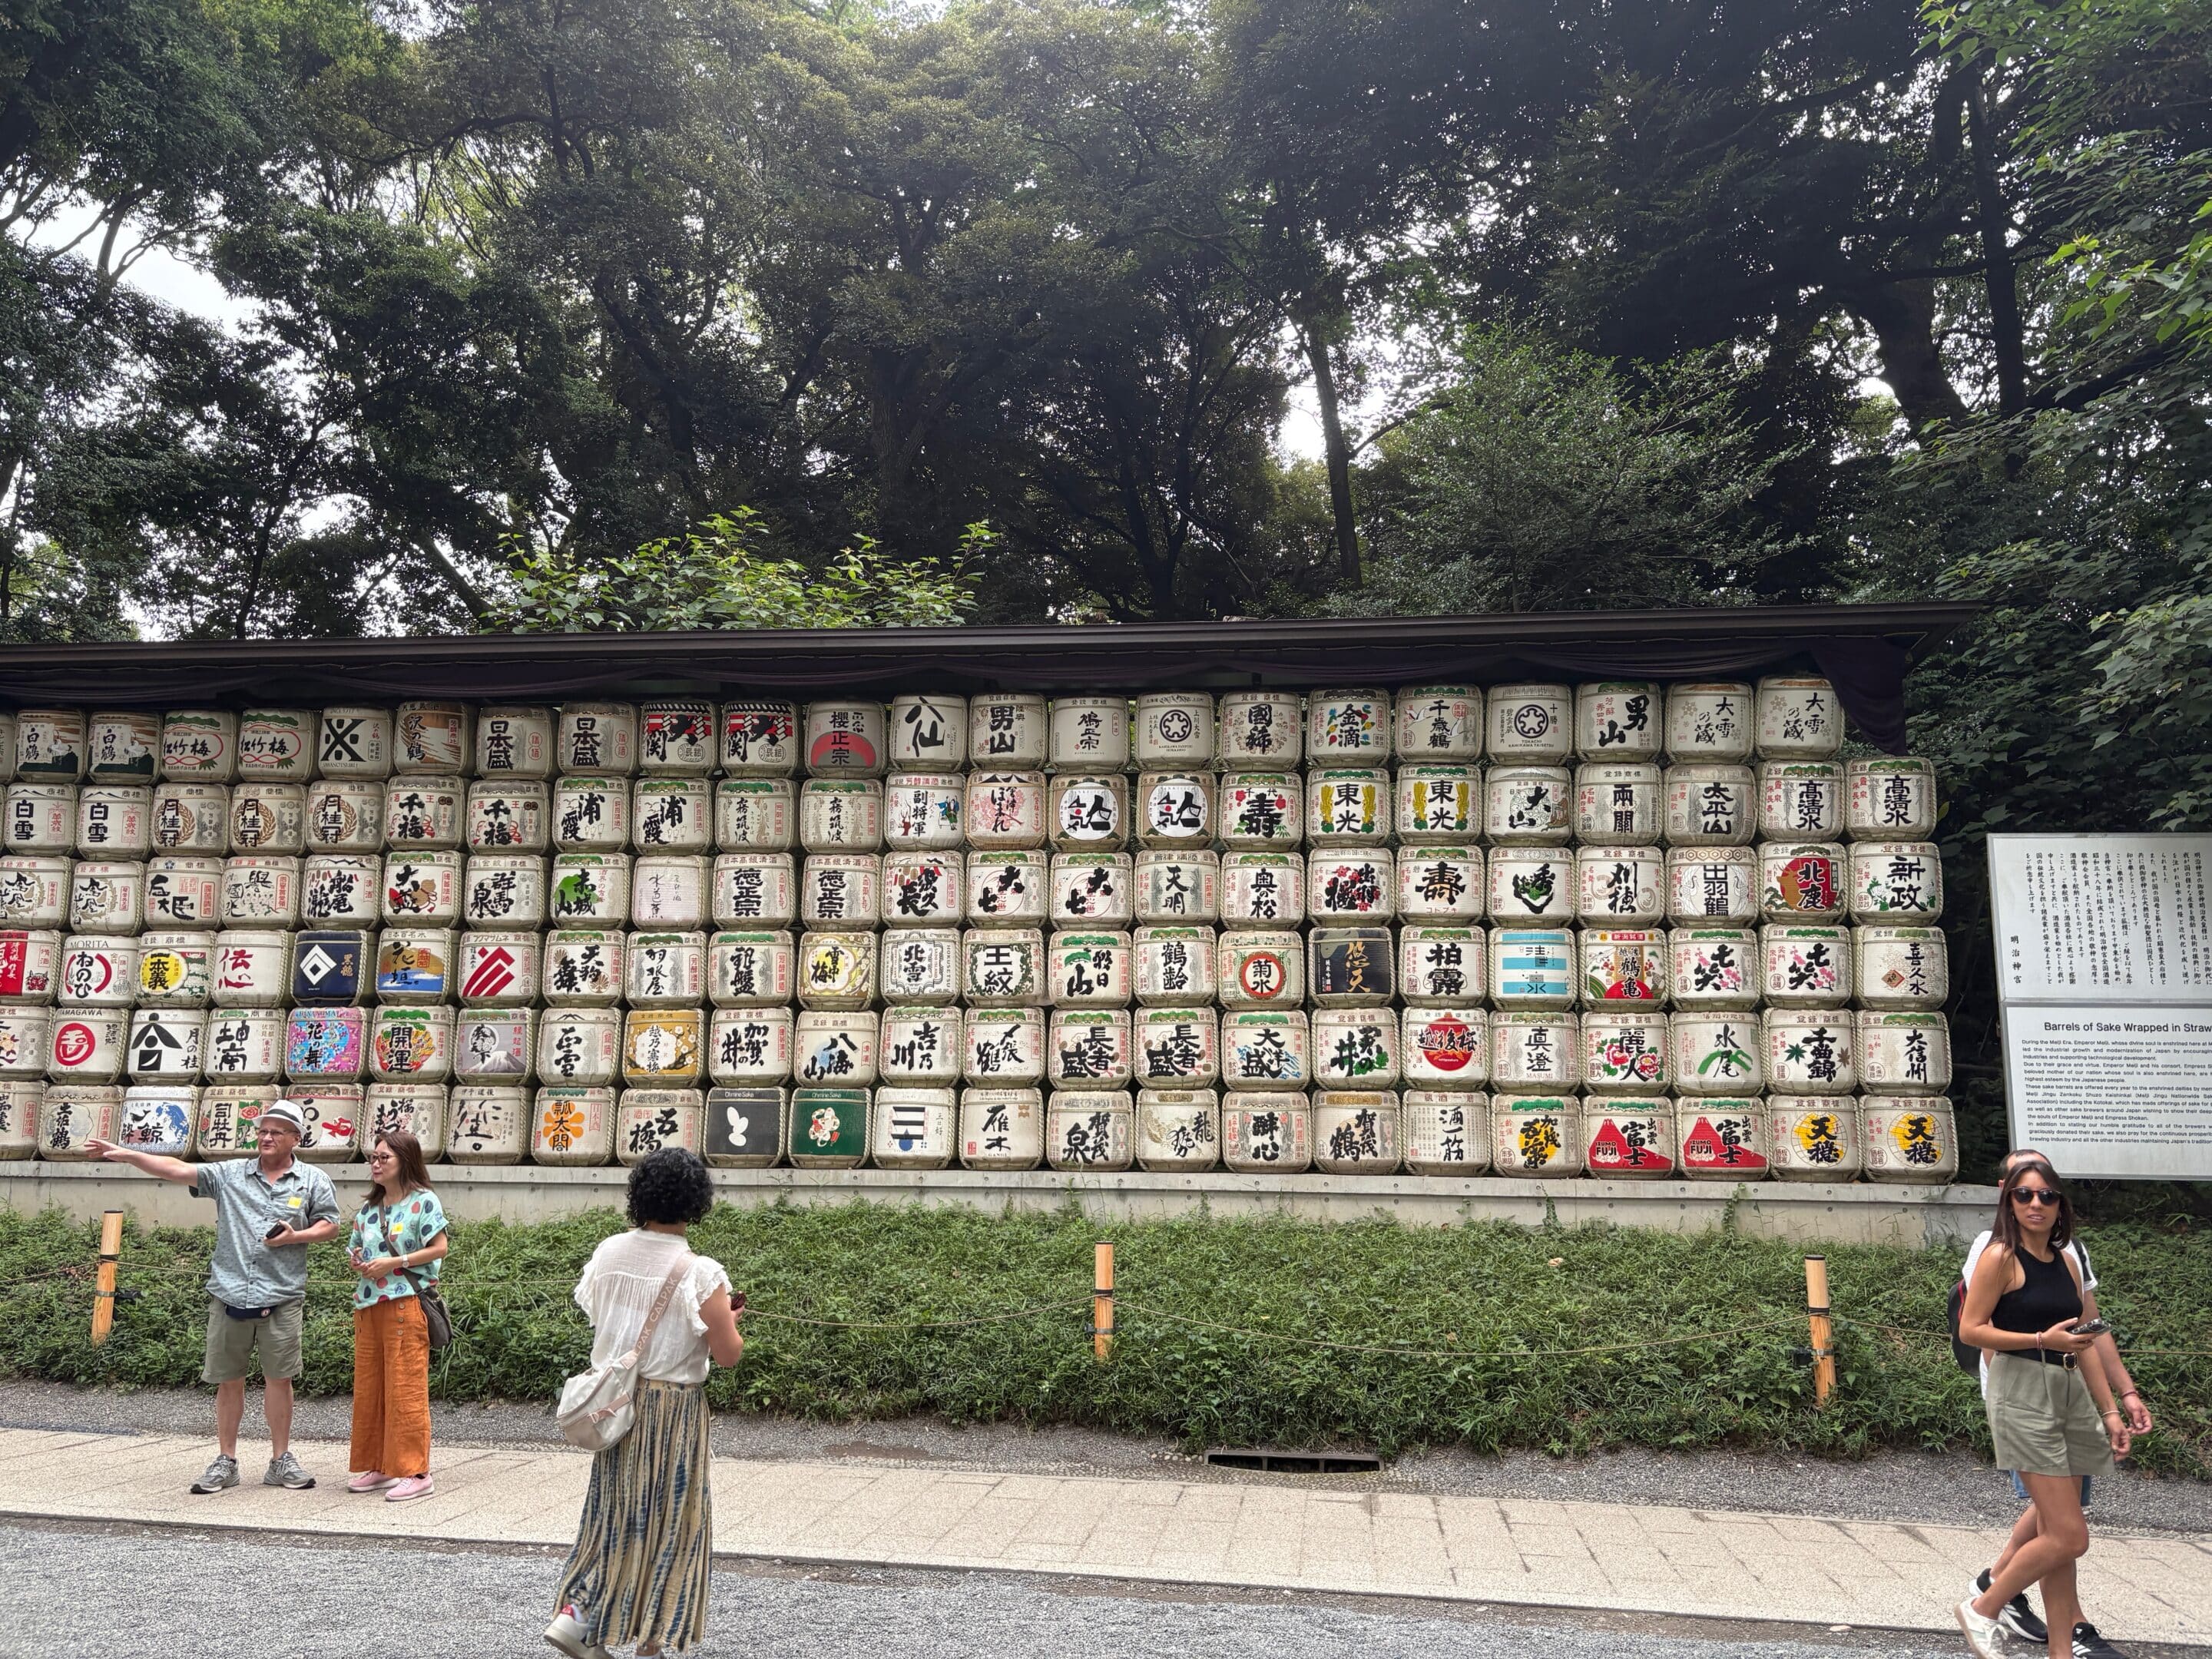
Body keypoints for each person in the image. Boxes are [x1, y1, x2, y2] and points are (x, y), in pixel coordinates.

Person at [86, 1098, 341, 1494]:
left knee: (280, 1379)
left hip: (282, 1295)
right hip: (229, 1293)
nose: (267, 1137)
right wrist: (130, 1155)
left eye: (277, 1132)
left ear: (296, 1138)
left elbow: (331, 1225)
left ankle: (280, 1460)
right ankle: (226, 1460)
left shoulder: (313, 1180)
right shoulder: (230, 1174)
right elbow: (177, 1169)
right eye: (262, 1130)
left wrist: (297, 1236)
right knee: (228, 1380)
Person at [547, 1148, 744, 1659]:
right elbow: (728, 1355)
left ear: (640, 1196)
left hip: (616, 1403)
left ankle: (579, 1614)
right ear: (696, 1202)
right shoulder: (701, 1273)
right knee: (671, 1523)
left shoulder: (609, 1252)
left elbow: (605, 1319)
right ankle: (650, 1642)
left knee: (613, 1515)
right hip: (672, 1410)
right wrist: (729, 1322)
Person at [1964, 1149, 2152, 1658]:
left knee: (2057, 1534)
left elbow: (2086, 1337)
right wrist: (2039, 1341)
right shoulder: (1998, 1255)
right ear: (2008, 1200)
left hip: (2070, 1391)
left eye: (2046, 1195)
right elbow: (1972, 1329)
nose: (2035, 1204)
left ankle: (2061, 1652)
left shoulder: (2067, 1259)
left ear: (2060, 1204)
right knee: (2071, 1536)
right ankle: (1985, 1605)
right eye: (2024, 1194)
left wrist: (2111, 1409)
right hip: (2022, 1389)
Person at [347, 1128, 449, 1503]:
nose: (375, 1164)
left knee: (405, 1388)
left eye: (383, 1158)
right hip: (368, 1305)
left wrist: (395, 1262)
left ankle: (417, 1471)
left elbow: (440, 1248)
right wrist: (359, 1261)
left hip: (406, 1303)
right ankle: (381, 1464)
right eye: (372, 1158)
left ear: (405, 1161)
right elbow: (355, 1248)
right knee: (371, 1388)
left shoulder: (424, 1202)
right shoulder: (368, 1210)